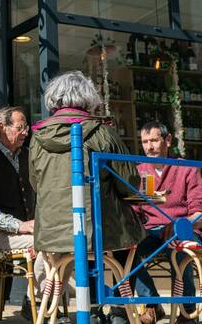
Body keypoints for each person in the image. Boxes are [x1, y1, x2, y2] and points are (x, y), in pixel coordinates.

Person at [28, 71, 145, 324]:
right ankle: (120, 311)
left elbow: (35, 184)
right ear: (89, 100)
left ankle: (64, 313)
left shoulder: (37, 138)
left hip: (51, 233)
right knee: (132, 240)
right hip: (98, 232)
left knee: (79, 249)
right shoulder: (103, 132)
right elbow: (129, 183)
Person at [130, 121, 202, 324]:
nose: (149, 147)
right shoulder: (142, 171)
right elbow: (137, 209)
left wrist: (179, 226)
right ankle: (153, 304)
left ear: (168, 140)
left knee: (180, 244)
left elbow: (200, 215)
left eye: (154, 141)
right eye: (145, 142)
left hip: (183, 228)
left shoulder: (186, 169)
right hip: (151, 231)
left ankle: (186, 310)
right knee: (127, 249)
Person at [0, 106, 44, 320]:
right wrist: (19, 226)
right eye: (20, 128)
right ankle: (38, 302)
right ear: (2, 128)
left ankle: (40, 301)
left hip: (33, 230)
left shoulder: (29, 156)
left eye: (27, 128)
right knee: (46, 244)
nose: (26, 132)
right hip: (2, 234)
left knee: (57, 240)